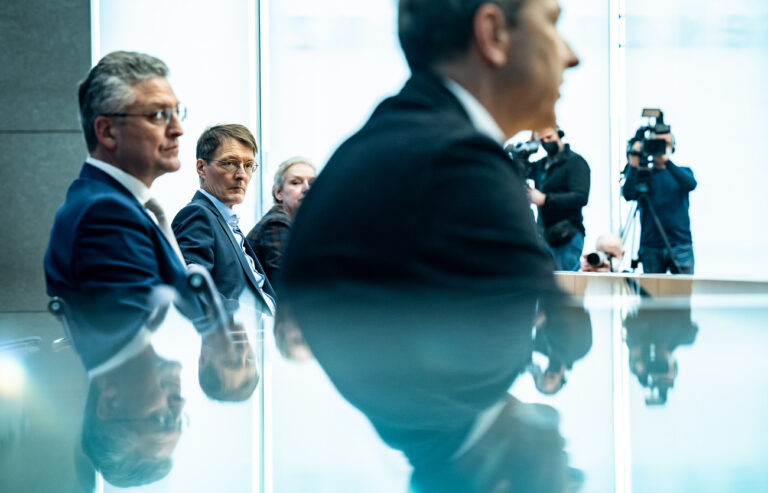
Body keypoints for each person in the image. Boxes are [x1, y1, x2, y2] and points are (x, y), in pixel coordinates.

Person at [280, 0, 581, 489]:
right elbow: (571, 335)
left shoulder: (396, 142)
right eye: (552, 24)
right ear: (493, 34)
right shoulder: (460, 165)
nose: (571, 56)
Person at [44, 50, 194, 370]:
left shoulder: (117, 205)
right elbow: (138, 354)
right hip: (140, 416)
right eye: (158, 115)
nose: (178, 129)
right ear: (108, 131)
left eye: (177, 112)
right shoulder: (106, 215)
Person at [172, 124, 275, 317]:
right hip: (242, 339)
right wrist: (257, 320)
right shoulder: (197, 215)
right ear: (202, 168)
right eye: (230, 163)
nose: (242, 175)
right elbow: (193, 295)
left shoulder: (226, 222)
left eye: (248, 165)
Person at [622, 132, 697, 274]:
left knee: (683, 293)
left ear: (672, 147)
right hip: (651, 246)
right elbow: (628, 194)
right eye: (656, 143)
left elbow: (691, 184)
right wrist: (633, 165)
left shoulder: (683, 172)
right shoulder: (644, 175)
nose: (660, 148)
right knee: (651, 295)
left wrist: (666, 162)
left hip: (680, 244)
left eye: (665, 144)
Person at [246, 156, 316, 288]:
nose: (306, 189)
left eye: (312, 184)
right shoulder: (277, 221)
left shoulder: (296, 225)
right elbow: (287, 283)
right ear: (278, 193)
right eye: (296, 183)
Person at [527, 126, 590, 271]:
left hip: (567, 235)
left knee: (566, 283)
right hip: (544, 235)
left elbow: (580, 197)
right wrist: (530, 145)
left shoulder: (575, 162)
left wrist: (545, 199)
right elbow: (519, 168)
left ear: (559, 135)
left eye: (549, 137)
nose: (546, 142)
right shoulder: (540, 165)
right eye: (542, 140)